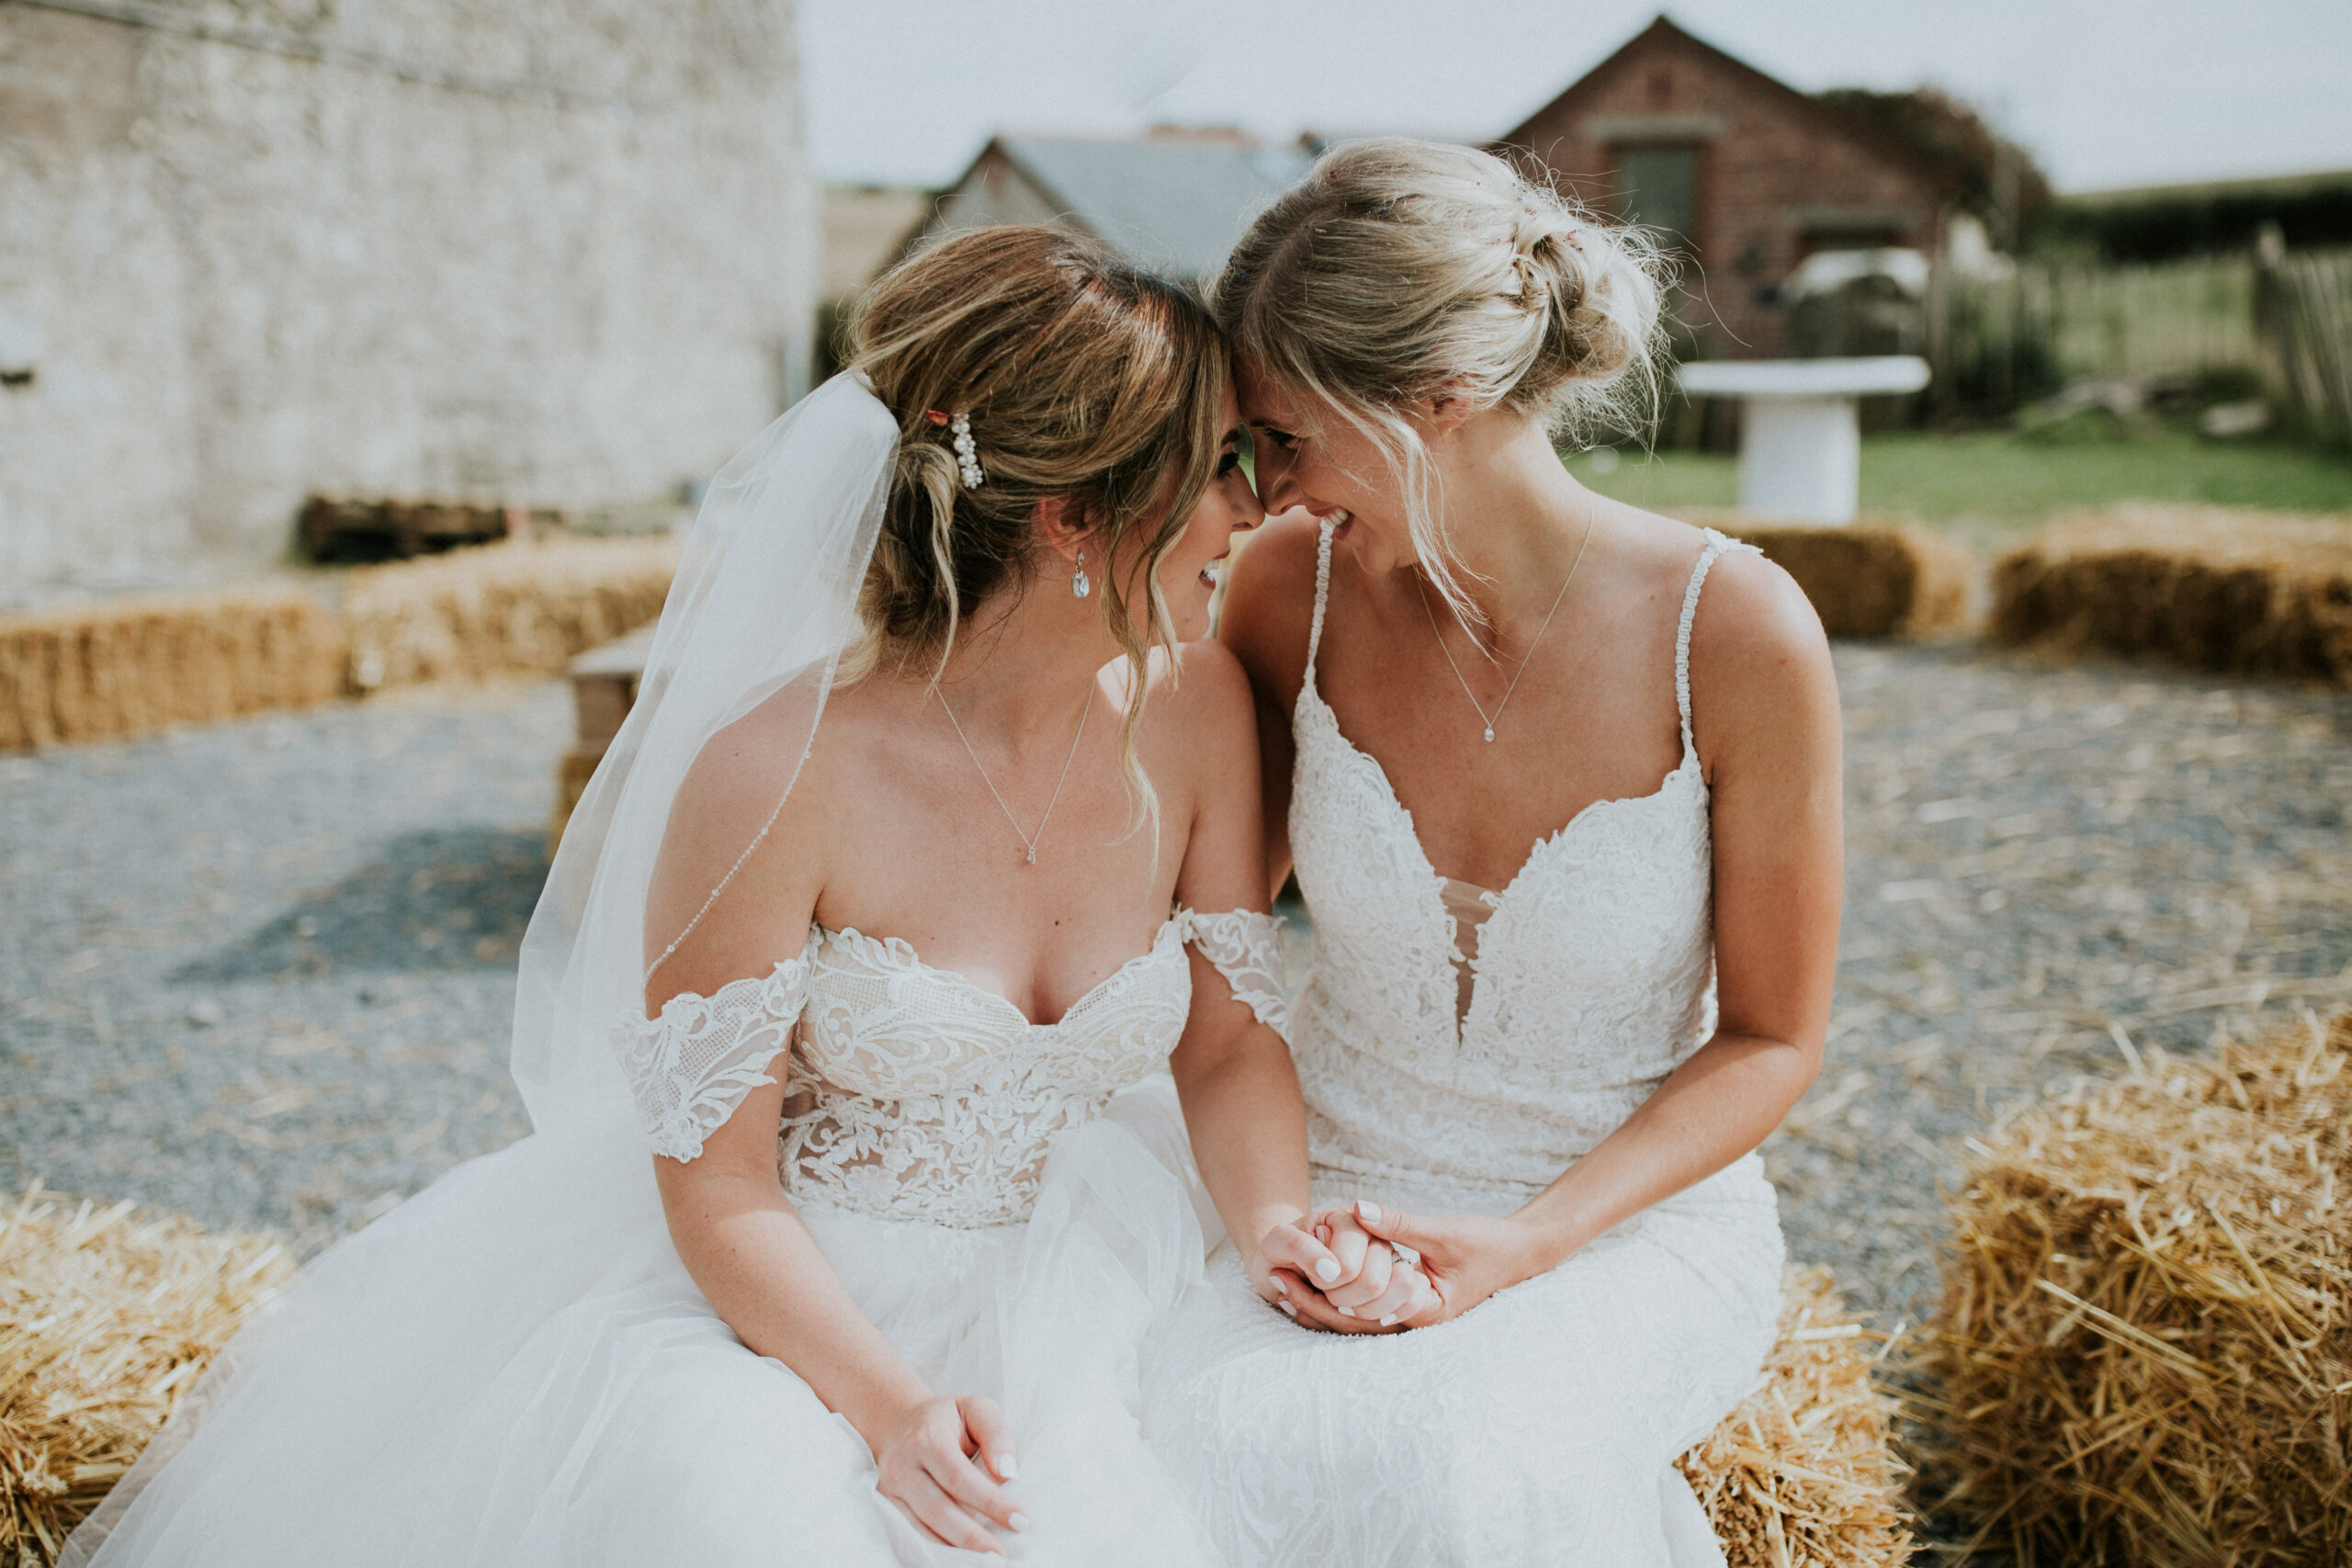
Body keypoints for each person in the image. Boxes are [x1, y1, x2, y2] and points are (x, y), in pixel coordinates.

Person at [67, 225, 1341, 1568]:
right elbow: (723, 1187)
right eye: (1219, 468)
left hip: (1120, 1262)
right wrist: (895, 1413)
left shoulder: (1196, 710)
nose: (1263, 510)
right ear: (1074, 514)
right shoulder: (771, 770)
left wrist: (1272, 1232)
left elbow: (1228, 1039)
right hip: (812, 1303)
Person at [1144, 139, 1845, 1566]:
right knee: (1184, 1435)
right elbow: (1211, 928)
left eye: (1287, 436)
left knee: (1464, 1471)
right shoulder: (1289, 593)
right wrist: (1285, 1221)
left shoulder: (1741, 634)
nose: (1264, 490)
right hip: (1324, 1176)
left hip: (1616, 1219)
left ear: (1437, 403)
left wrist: (1531, 1244)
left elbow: (1772, 1040)